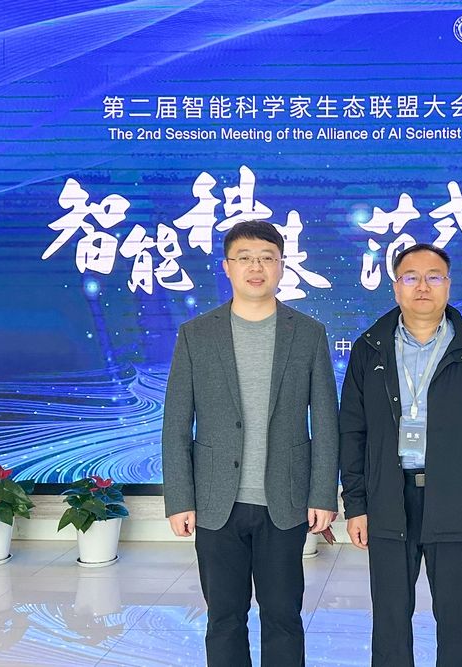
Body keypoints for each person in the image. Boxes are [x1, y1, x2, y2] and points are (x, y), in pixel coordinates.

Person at [162, 219, 339, 667]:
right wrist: (179, 499)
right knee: (224, 618)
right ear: (227, 267)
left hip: (285, 500)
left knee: (283, 617)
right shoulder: (196, 334)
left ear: (282, 266)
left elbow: (326, 420)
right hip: (216, 502)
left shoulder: (308, 333)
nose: (255, 268)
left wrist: (323, 494)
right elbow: (176, 423)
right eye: (244, 258)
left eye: (266, 258)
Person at [339, 243, 462, 666]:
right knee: (389, 621)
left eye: (434, 277)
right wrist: (356, 504)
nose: (423, 286)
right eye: (411, 277)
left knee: (457, 622)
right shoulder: (369, 348)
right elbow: (352, 430)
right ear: (396, 287)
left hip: (456, 497)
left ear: (448, 285)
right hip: (388, 497)